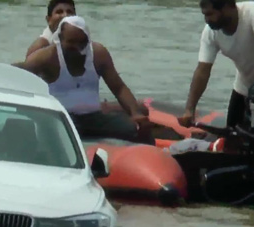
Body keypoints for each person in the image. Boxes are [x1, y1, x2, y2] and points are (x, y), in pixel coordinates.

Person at [13, 15, 154, 144]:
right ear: (60, 39)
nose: (77, 47)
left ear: (87, 39)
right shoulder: (47, 57)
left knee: (136, 129)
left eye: (81, 42)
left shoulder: (98, 54)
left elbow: (118, 87)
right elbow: (19, 73)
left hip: (94, 118)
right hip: (63, 120)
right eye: (71, 42)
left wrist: (135, 112)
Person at [178, 0, 254, 133]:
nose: (207, 20)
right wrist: (190, 109)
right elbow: (202, 71)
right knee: (232, 133)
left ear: (229, 7)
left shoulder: (253, 11)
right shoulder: (210, 33)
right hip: (245, 86)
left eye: (210, 14)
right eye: (205, 15)